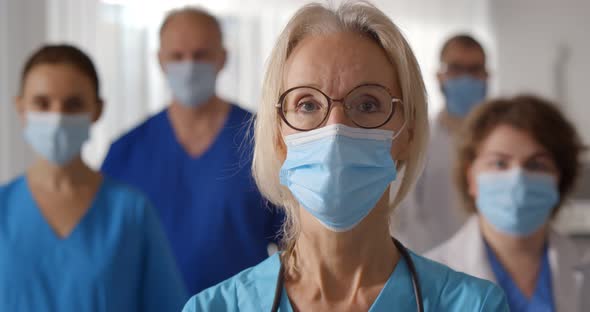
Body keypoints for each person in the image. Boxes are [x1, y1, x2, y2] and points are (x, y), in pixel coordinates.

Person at [182, 2, 508, 311]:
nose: (336, 128)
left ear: (407, 134)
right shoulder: (214, 307)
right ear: (276, 137)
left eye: (367, 104)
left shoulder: (473, 305)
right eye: (307, 105)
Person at [101, 7, 283, 295]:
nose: (188, 66)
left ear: (222, 58)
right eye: (177, 56)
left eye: (200, 55)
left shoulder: (262, 141)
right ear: (160, 60)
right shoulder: (126, 153)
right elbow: (108, 253)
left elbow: (297, 245)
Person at [0, 45, 186, 311]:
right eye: (42, 103)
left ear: (97, 110)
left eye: (73, 104)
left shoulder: (130, 213)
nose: (57, 117)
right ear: (20, 108)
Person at [427, 95, 587, 311]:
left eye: (537, 164)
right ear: (471, 178)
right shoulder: (425, 279)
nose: (518, 179)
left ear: (560, 178)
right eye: (500, 163)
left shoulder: (582, 266)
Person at [392, 34, 489, 253]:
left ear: (486, 76)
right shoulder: (417, 139)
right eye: (455, 68)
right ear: (439, 76)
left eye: (474, 70)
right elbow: (402, 213)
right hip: (432, 264)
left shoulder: (503, 142)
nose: (466, 78)